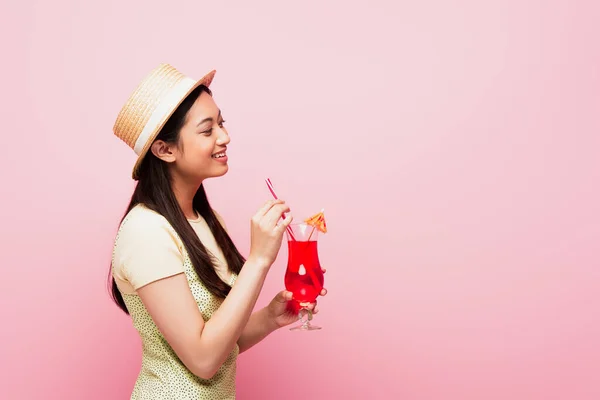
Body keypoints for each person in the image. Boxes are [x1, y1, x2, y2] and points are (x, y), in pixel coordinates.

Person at [108, 64, 327, 399]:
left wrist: (269, 317)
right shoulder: (146, 232)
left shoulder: (207, 221)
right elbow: (203, 360)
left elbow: (222, 343)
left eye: (221, 123)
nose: (224, 137)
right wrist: (258, 260)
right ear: (164, 150)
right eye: (207, 130)